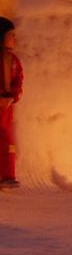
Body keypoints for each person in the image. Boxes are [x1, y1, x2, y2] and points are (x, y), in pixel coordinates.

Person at [0, 17, 23, 187]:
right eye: (10, 35)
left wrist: (13, 97)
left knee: (8, 142)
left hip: (6, 109)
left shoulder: (13, 61)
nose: (14, 39)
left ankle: (8, 174)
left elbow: (18, 82)